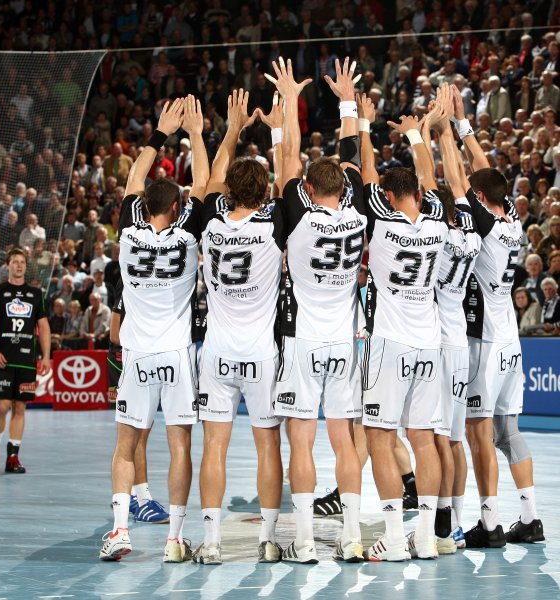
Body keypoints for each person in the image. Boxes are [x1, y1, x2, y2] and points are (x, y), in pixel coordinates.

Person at [99, 96, 207, 563]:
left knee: (126, 446)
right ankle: (174, 539)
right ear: (178, 207)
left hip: (138, 353)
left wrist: (161, 132)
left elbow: (133, 178)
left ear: (144, 206)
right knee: (179, 445)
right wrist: (196, 133)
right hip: (177, 354)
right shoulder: (187, 235)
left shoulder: (129, 234)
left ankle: (120, 530)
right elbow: (204, 181)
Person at [270, 58, 365, 564]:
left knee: (301, 442)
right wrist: (347, 103)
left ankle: (304, 540)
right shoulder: (358, 214)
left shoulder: (298, 213)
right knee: (344, 442)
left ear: (308, 189)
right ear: (344, 189)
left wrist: (290, 100)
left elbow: (287, 157)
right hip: (344, 341)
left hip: (302, 339)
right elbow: (351, 155)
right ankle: (351, 536)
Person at [194, 89, 284, 566]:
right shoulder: (275, 225)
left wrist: (232, 129)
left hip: (217, 352)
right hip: (261, 353)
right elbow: (289, 178)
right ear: (265, 193)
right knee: (268, 445)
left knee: (214, 445)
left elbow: (211, 178)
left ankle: (210, 542)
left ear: (229, 191)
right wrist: (277, 126)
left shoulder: (211, 222)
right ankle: (267, 540)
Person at [453, 86, 545, 547]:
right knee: (509, 432)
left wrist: (441, 134)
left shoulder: (486, 225)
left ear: (481, 198)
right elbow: (483, 172)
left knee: (479, 434)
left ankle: (489, 524)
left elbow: (460, 181)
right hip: (510, 338)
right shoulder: (511, 220)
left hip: (485, 340)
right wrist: (463, 127)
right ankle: (531, 517)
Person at [358, 92, 448, 561]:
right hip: (429, 343)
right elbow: (428, 176)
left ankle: (394, 539)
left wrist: (364, 124)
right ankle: (426, 537)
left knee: (378, 435)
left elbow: (367, 171)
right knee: (423, 439)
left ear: (388, 198)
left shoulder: (382, 222)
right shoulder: (436, 223)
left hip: (390, 343)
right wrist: (416, 134)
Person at [430, 86, 482, 552]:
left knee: (440, 439)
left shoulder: (434, 236)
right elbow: (459, 182)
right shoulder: (469, 232)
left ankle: (442, 522)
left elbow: (438, 185)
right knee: (456, 439)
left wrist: (428, 132)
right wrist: (446, 131)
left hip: (441, 345)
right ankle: (458, 522)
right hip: (460, 343)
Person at [0, 248, 51, 474]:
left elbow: (43, 327)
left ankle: (13, 457)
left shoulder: (36, 294)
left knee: (20, 407)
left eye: (22, 262)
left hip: (26, 361)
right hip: (3, 359)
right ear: (8, 265)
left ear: (26, 266)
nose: (19, 265)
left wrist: (46, 356)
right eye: (15, 261)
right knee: (2, 406)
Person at [107, 288, 169, 525]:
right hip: (127, 361)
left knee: (139, 433)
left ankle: (133, 495)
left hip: (140, 359)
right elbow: (115, 334)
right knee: (136, 434)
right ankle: (142, 500)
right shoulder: (130, 287)